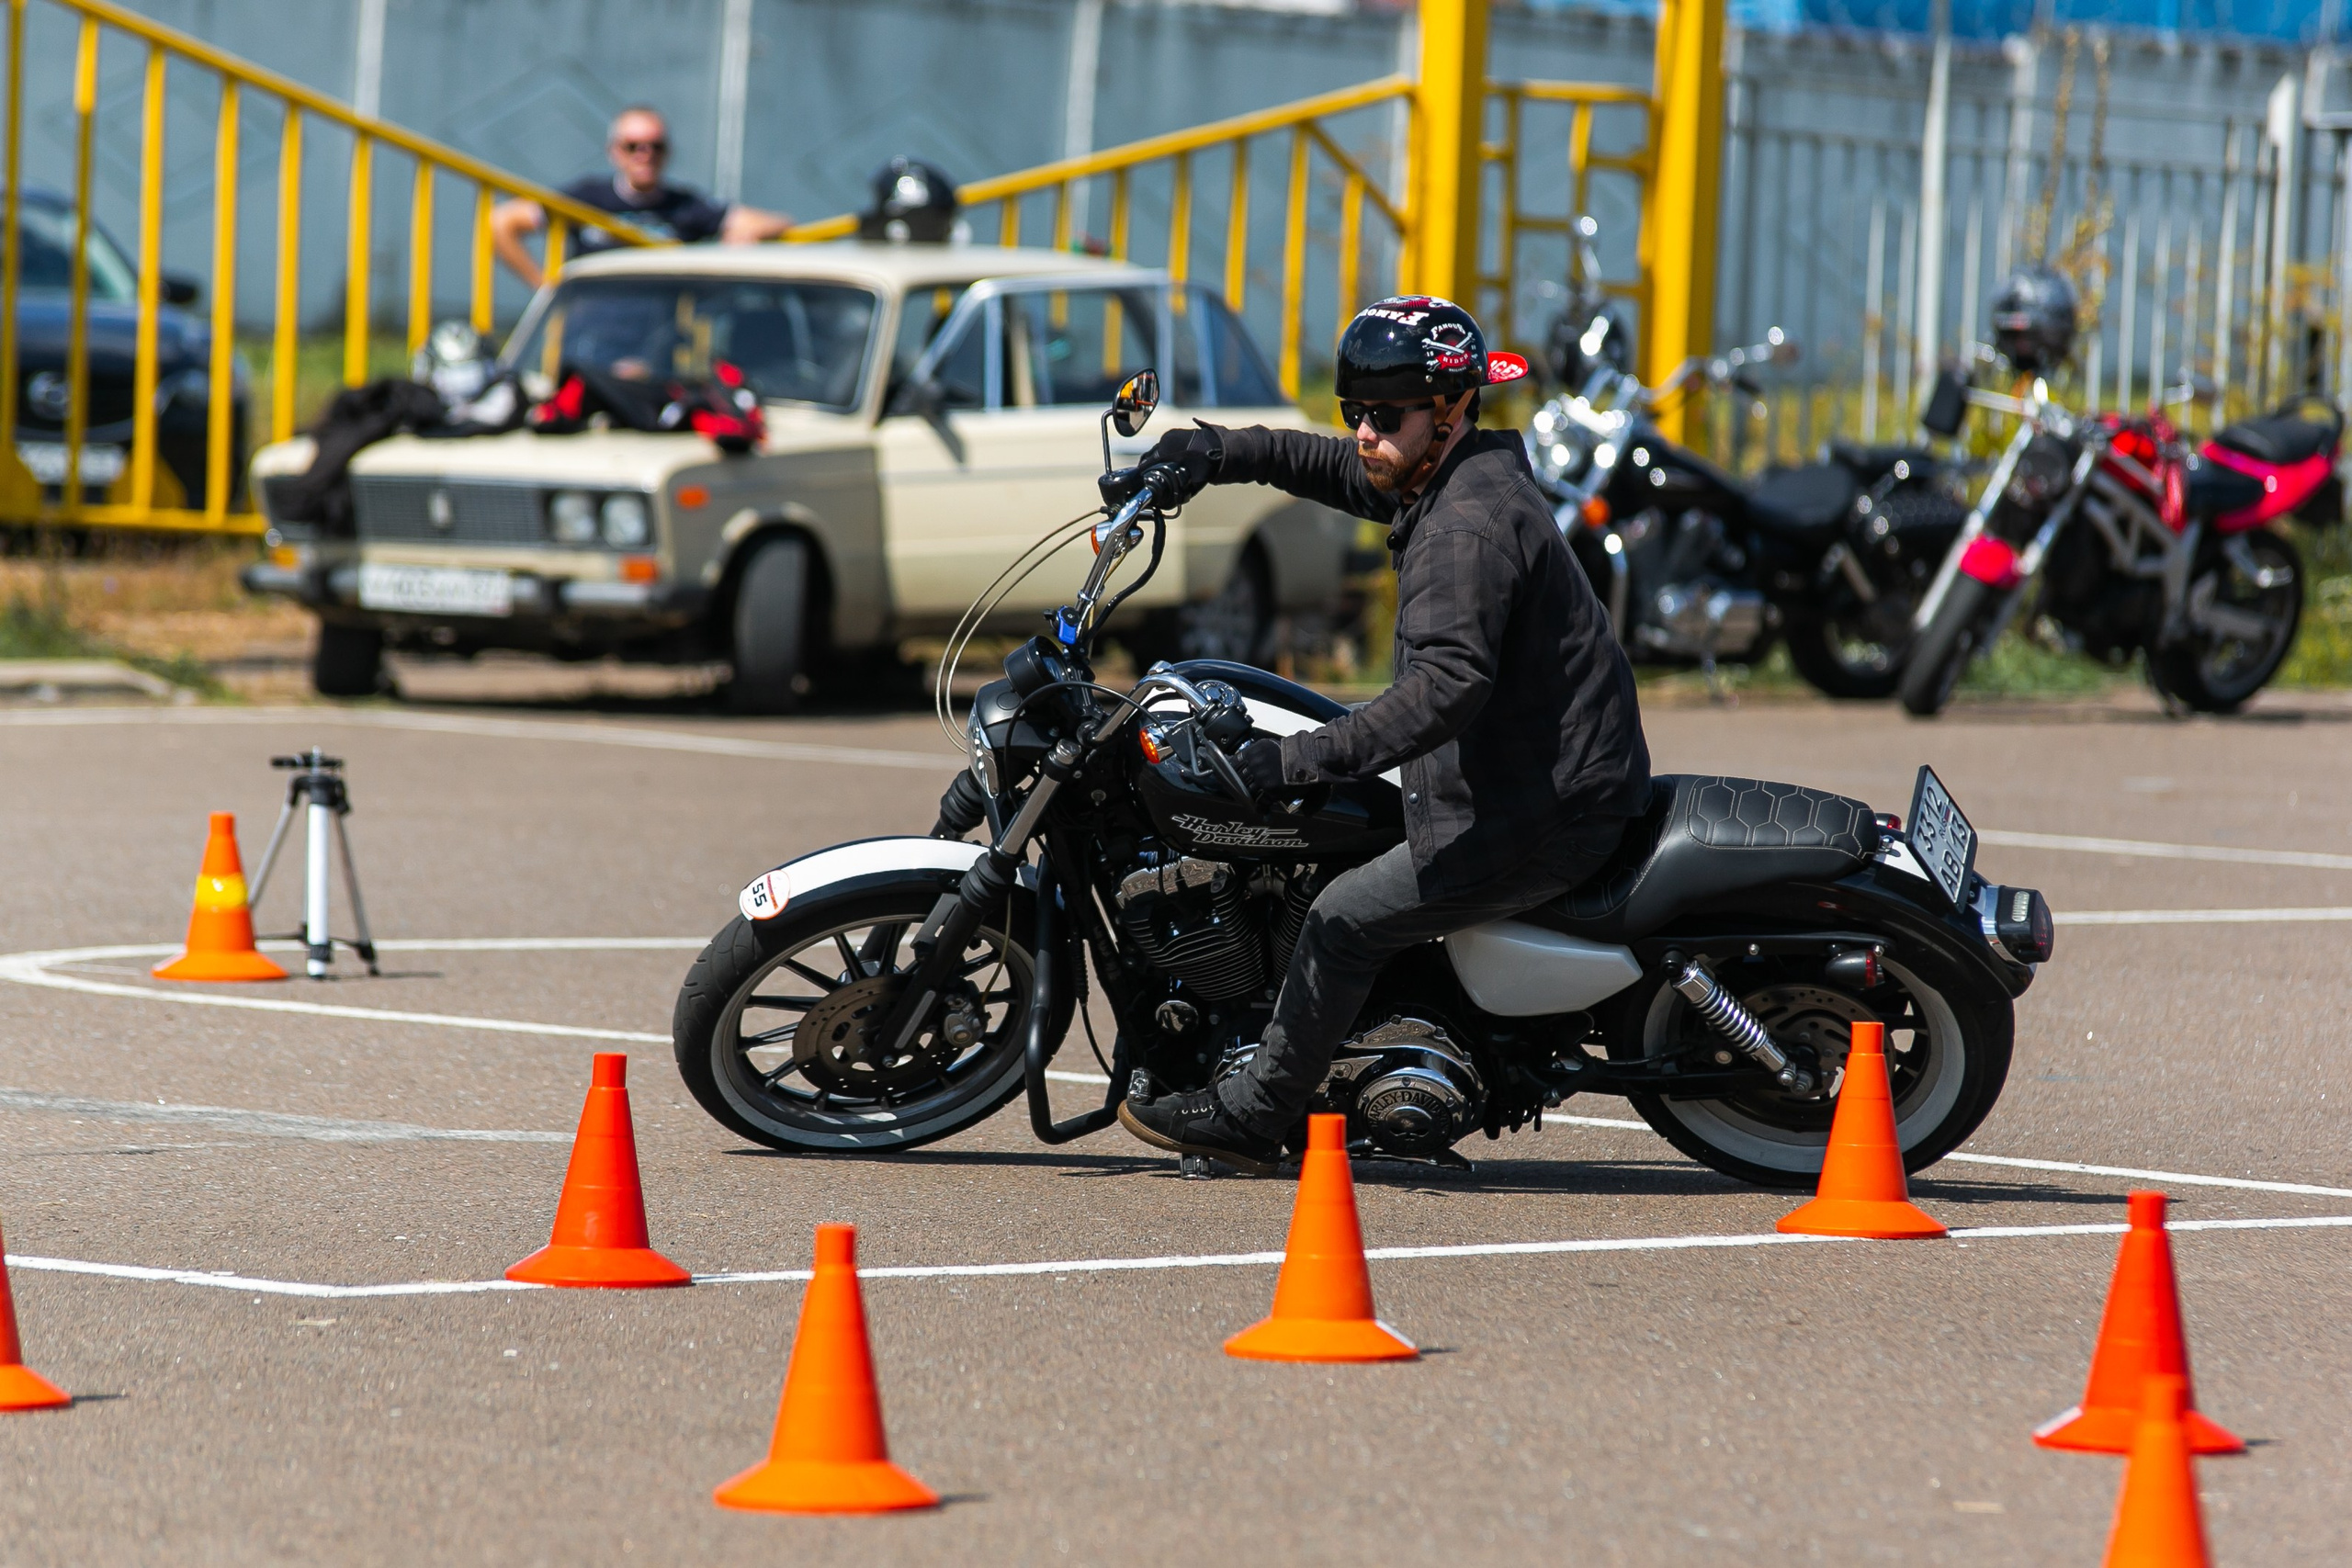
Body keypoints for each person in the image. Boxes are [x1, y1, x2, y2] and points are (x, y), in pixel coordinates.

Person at [1115, 296, 1652, 1175]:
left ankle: (1256, 1113)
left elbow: (1443, 692)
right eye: (1353, 412)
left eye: (1386, 415)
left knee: (1341, 918)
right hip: (1535, 769)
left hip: (1541, 804)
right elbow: (1330, 467)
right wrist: (1221, 450)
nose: (1365, 434)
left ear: (1448, 410)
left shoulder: (1463, 528)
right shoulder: (1456, 471)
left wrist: (1288, 764)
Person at [491, 106, 791, 288]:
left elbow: (775, 221)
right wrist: (545, 286)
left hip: (659, 340)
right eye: (633, 146)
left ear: (668, 152)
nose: (645, 155)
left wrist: (742, 237)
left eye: (655, 146)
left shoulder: (684, 204)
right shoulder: (586, 197)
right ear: (614, 152)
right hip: (589, 335)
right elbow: (502, 222)